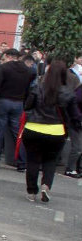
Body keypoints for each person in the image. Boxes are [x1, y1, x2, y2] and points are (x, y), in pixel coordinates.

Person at [22, 60, 81, 202]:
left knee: (33, 161)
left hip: (34, 128)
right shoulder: (68, 93)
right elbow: (75, 115)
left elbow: (27, 106)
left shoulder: (38, 88)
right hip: (56, 131)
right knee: (50, 161)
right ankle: (46, 186)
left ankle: (31, 191)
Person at [0, 48, 34, 170]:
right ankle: (22, 162)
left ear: (7, 56)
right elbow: (30, 89)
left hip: (3, 101)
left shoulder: (3, 68)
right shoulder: (28, 71)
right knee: (17, 133)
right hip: (18, 103)